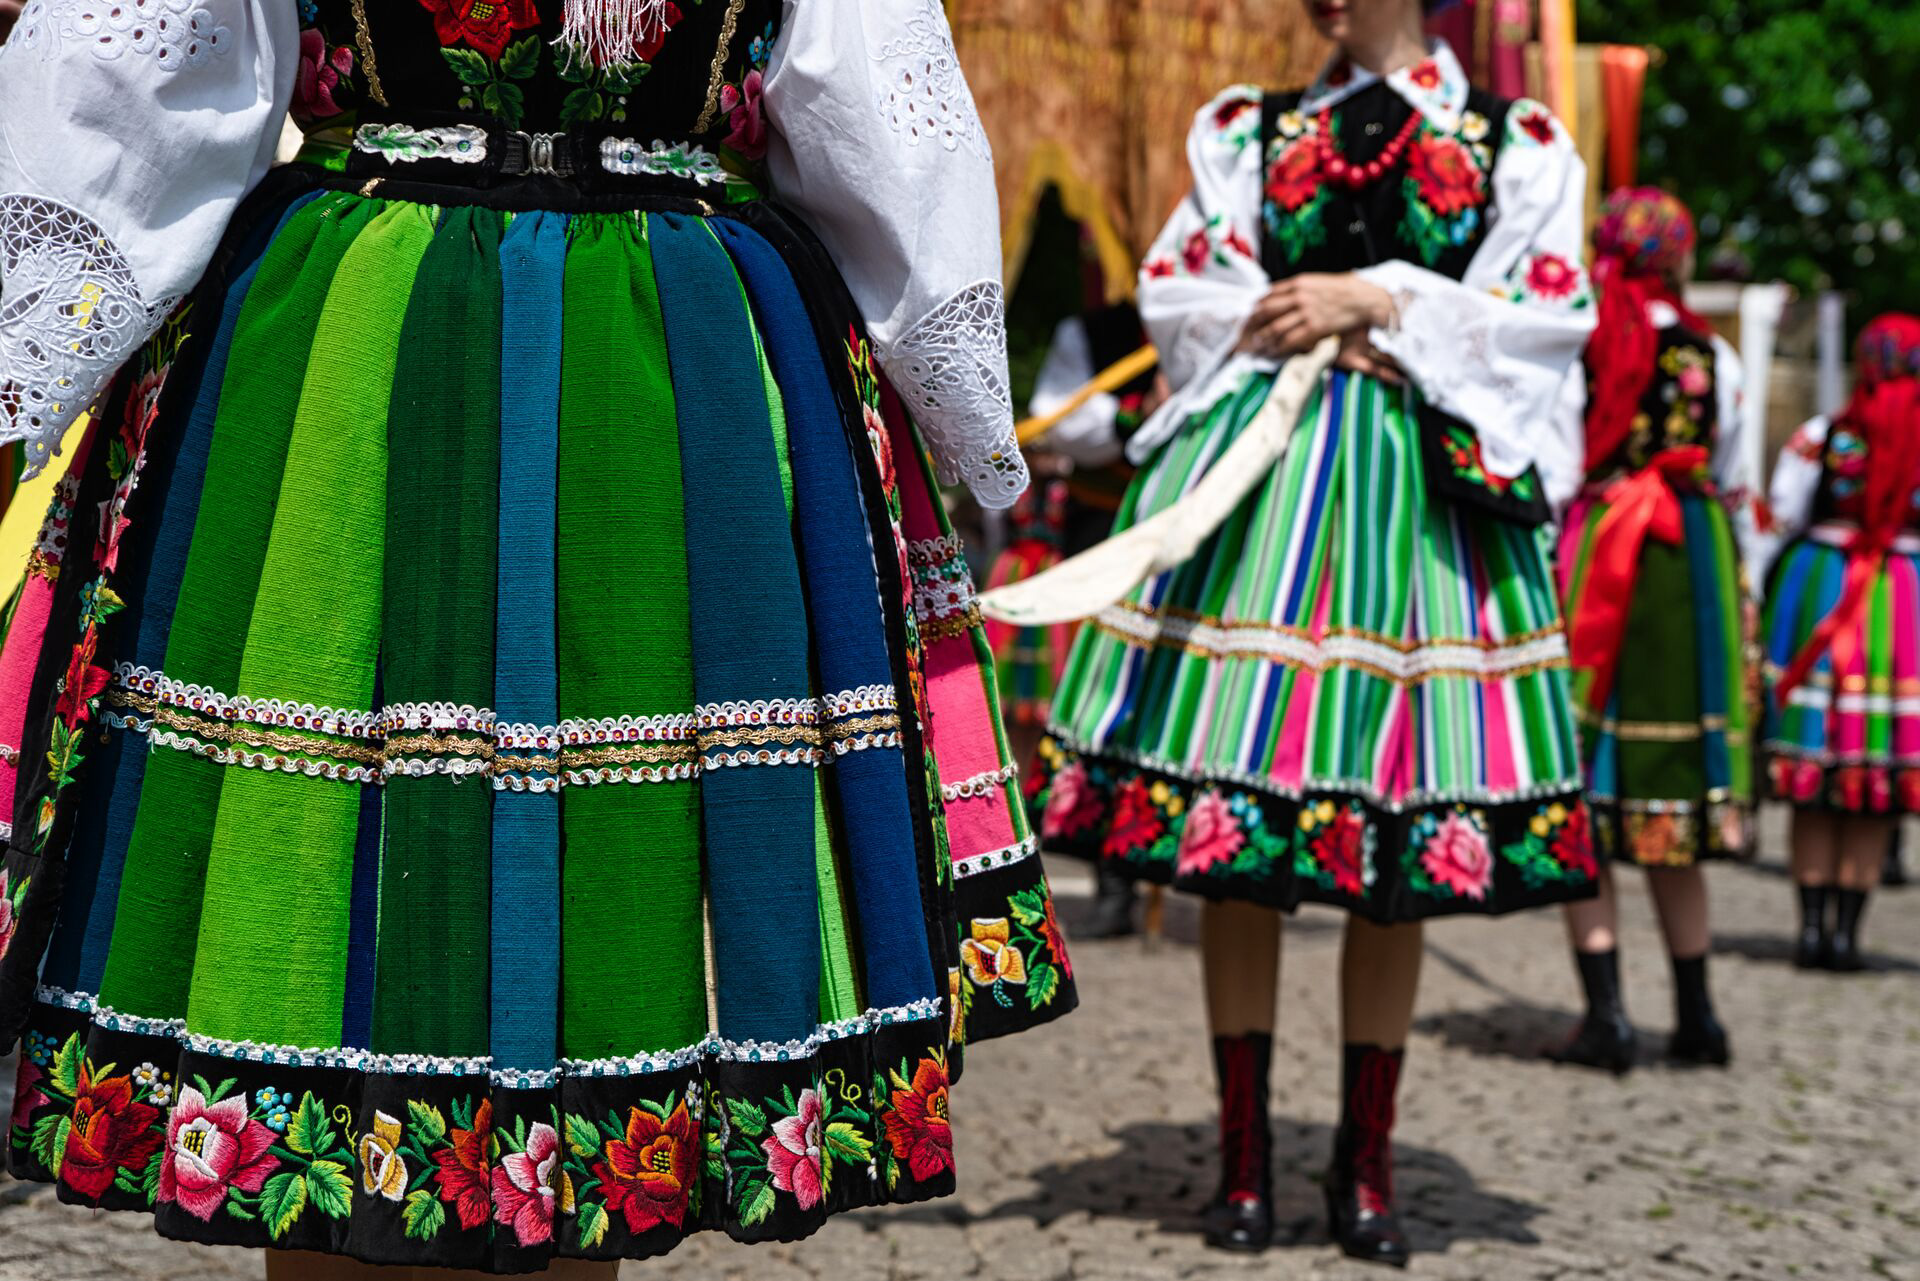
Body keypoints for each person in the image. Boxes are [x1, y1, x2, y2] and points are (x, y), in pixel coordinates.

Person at [0, 0, 1075, 1273]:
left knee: (604, 956)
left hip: (631, 361)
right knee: (335, 906)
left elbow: (870, 102)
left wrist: (958, 403)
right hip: (382, 359)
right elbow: (143, 72)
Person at [1028, 0, 1598, 1265]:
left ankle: (1368, 1157)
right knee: (1241, 816)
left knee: (1393, 834)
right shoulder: (1251, 130)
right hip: (1264, 491)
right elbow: (1186, 287)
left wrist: (1382, 298)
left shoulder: (1521, 140)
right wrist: (1303, 311)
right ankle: (1245, 1157)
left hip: (1422, 513)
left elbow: (1546, 317)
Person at [1548, 188, 1760, 1074]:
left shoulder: (1581, 342)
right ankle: (1699, 1016)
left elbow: (1556, 469)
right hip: (1694, 558)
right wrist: (1741, 594)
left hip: (1608, 548)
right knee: (1675, 781)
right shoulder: (1717, 353)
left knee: (1588, 783)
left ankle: (1607, 1017)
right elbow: (1738, 478)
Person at [1763, 314, 1920, 973]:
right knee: (1874, 775)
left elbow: (1779, 513)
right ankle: (1848, 936)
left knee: (1816, 772)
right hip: (1904, 601)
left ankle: (1810, 930)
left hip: (1825, 588)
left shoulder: (1822, 437)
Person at [998, 300, 1160, 937]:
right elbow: (1060, 420)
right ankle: (1115, 884)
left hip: (1196, 516)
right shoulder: (1093, 330)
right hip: (1104, 533)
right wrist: (1136, 413)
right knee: (1107, 700)